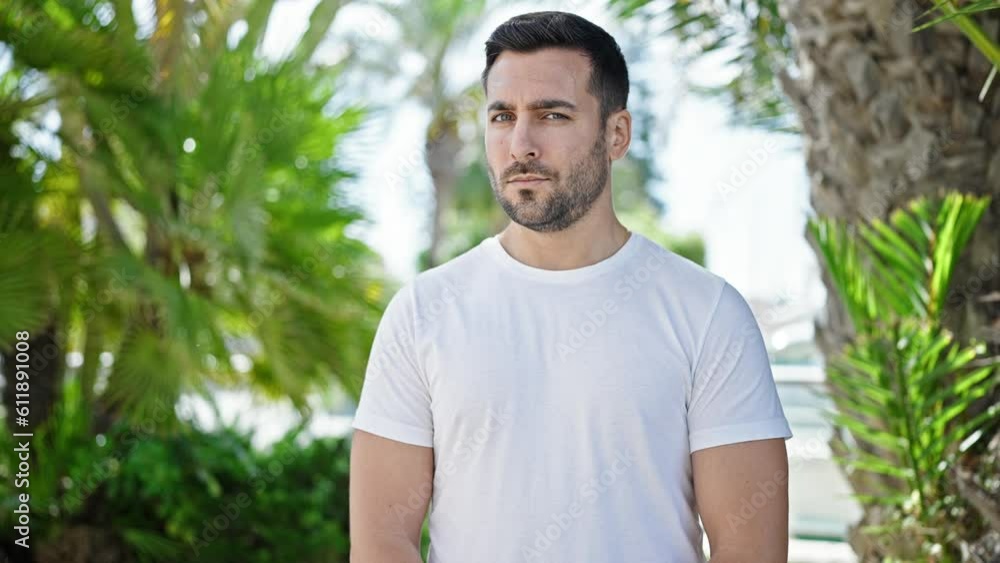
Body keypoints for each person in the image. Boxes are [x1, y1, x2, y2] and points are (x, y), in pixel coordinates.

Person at [349, 10, 792, 563]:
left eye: (552, 115)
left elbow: (749, 549)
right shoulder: (423, 311)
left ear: (617, 133)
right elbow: (381, 542)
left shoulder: (706, 313)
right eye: (502, 117)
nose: (520, 144)